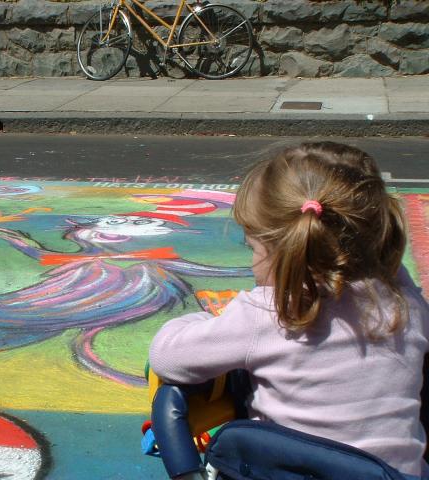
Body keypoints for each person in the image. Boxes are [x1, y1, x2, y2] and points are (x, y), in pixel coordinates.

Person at [148, 142, 429, 480]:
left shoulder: (268, 313)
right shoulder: (405, 302)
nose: (252, 262)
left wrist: (208, 319)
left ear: (289, 251)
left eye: (253, 248)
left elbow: (167, 355)